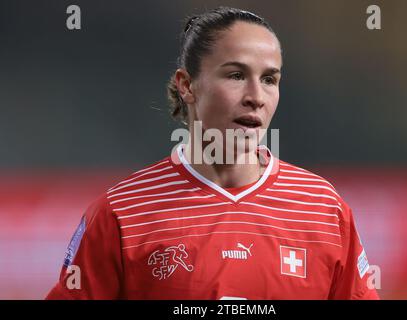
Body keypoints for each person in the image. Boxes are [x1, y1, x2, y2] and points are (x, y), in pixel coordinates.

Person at [46, 6, 379, 300]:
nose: (256, 96)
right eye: (236, 75)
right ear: (187, 85)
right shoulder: (122, 214)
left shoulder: (321, 208)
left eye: (269, 79)